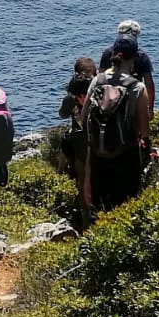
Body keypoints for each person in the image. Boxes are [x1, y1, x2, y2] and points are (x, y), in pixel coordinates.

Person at [86, 38, 152, 212]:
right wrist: (147, 149)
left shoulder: (97, 81)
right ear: (135, 58)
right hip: (126, 154)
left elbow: (84, 116)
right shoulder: (137, 88)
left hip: (97, 154)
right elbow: (144, 129)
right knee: (124, 206)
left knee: (99, 207)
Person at [58, 56, 98, 217]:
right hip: (91, 147)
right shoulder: (98, 94)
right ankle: (89, 214)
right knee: (87, 182)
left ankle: (88, 215)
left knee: (83, 182)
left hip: (85, 147)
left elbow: (62, 114)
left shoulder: (74, 96)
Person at [100, 19, 157, 111]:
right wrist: (150, 108)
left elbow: (101, 78)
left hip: (109, 101)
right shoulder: (141, 56)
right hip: (133, 100)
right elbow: (149, 85)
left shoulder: (108, 53)